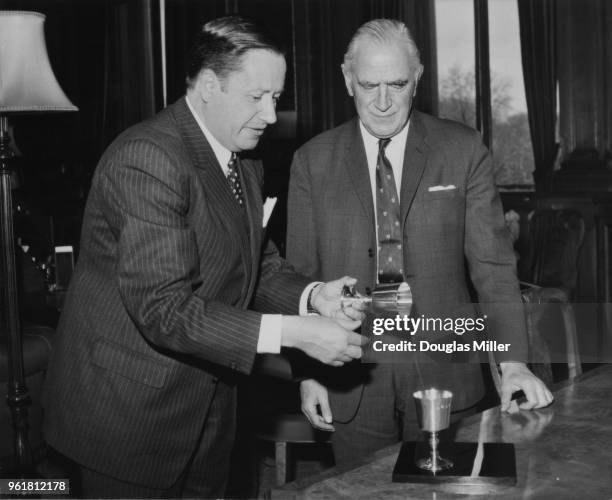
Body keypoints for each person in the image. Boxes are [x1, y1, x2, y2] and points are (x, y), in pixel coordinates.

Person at [43, 16, 366, 498]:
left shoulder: (246, 160)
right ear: (210, 86)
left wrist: (315, 297)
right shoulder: (148, 158)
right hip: (126, 420)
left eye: (276, 98)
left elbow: (258, 266)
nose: (271, 115)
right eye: (256, 97)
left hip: (208, 413)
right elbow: (164, 310)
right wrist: (296, 334)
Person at [286, 18, 553, 465]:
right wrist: (308, 374)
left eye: (397, 83)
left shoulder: (463, 150)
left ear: (419, 79)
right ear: (348, 79)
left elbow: (493, 267)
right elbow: (300, 277)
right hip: (350, 373)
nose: (384, 101)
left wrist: (513, 363)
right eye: (370, 85)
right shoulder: (312, 161)